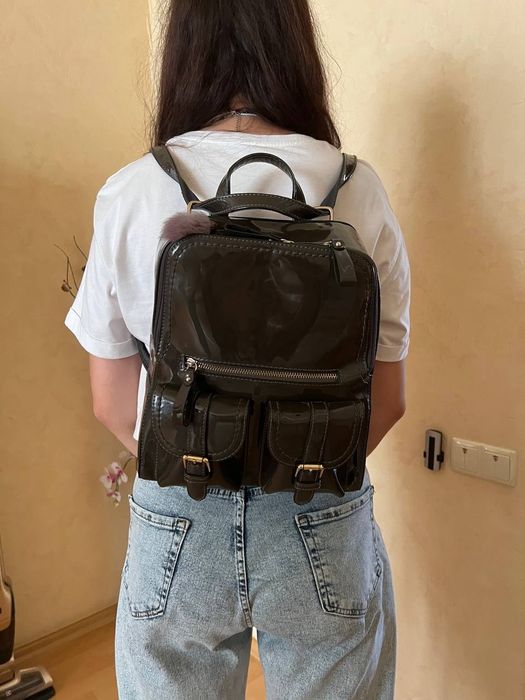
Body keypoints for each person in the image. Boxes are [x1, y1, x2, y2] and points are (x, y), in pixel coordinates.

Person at [64, 1, 410, 698]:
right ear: (295, 47)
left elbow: (112, 403)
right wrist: (293, 466)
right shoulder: (356, 186)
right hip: (318, 505)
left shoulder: (133, 189)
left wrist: (207, 462)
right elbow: (389, 400)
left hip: (179, 508)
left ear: (182, 52)